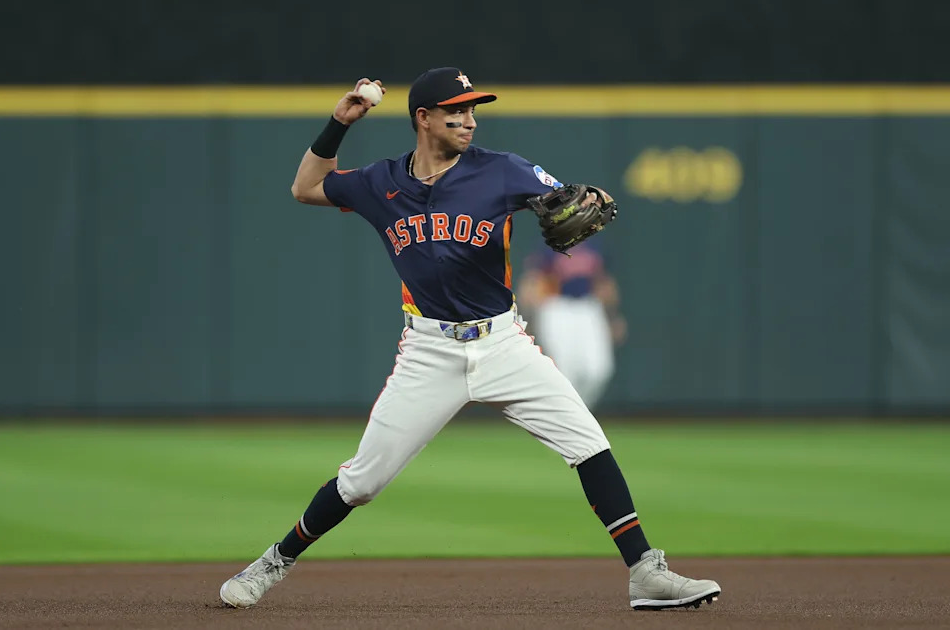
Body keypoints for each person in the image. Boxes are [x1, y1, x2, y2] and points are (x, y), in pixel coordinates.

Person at [219, 67, 721, 612]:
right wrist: (339, 123)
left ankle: (646, 572)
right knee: (361, 482)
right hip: (429, 352)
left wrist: (586, 196)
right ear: (424, 118)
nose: (469, 120)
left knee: (589, 444)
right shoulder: (380, 182)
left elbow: (570, 197)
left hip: (504, 342)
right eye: (456, 110)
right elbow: (305, 188)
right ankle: (272, 562)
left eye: (473, 109)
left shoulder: (502, 169)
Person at [517, 241, 626, 411]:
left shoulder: (594, 246)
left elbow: (604, 282)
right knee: (566, 369)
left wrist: (613, 316)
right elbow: (532, 281)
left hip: (589, 308)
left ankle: (575, 412)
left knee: (599, 370)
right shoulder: (550, 245)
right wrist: (528, 318)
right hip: (555, 307)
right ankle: (566, 414)